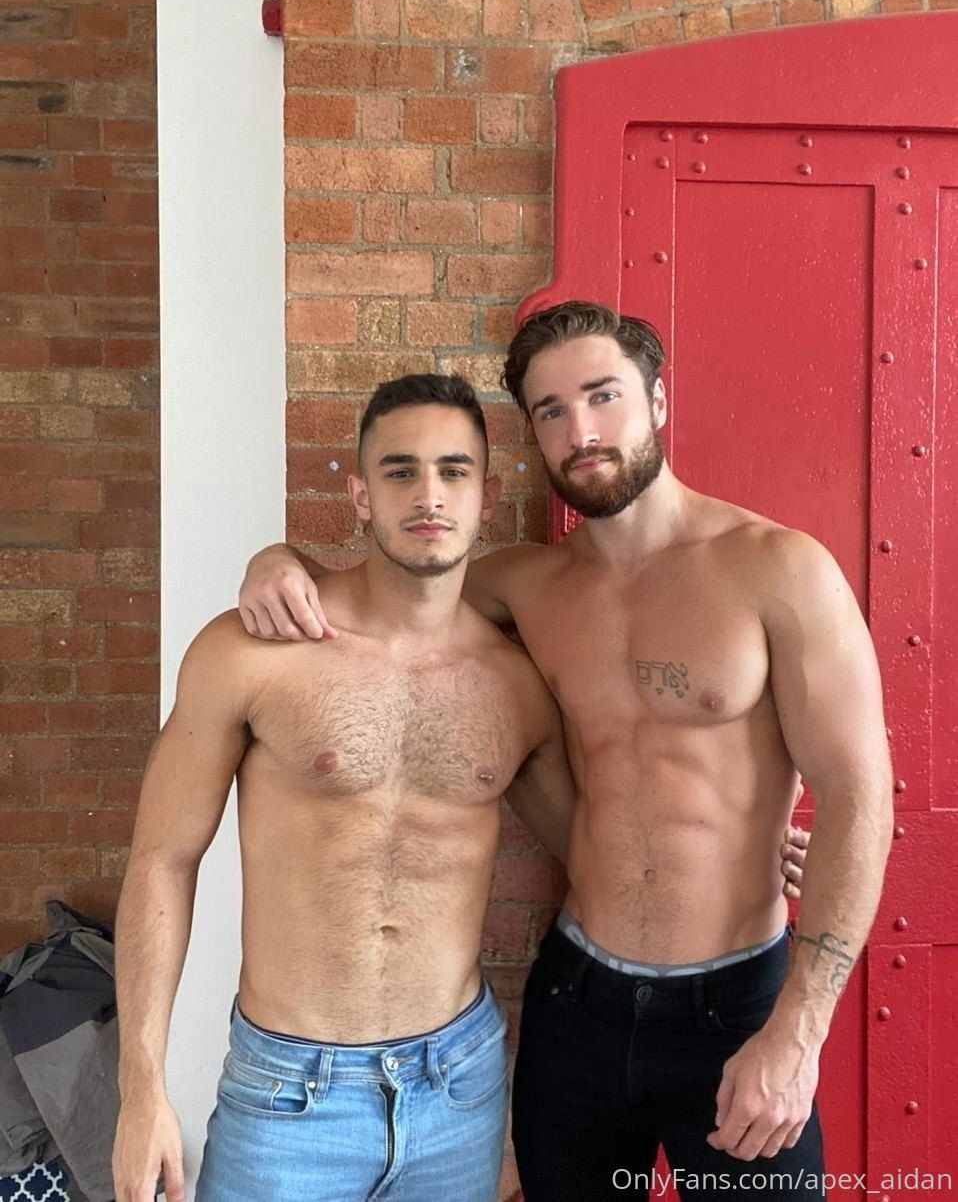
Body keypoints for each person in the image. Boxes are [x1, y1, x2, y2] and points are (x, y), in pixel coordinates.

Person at [240, 300, 891, 1202]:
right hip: (578, 1005)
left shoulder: (777, 569)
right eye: (551, 410)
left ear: (657, 400)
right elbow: (383, 594)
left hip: (736, 1007)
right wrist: (278, 562)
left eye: (602, 395)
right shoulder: (526, 585)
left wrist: (799, 1031)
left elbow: (862, 796)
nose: (580, 431)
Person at [111, 375, 583, 1202]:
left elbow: (599, 856)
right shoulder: (253, 652)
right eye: (400, 471)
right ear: (360, 495)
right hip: (287, 1095)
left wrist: (753, 856)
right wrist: (140, 1086)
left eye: (454, 471)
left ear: (485, 495)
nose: (429, 495)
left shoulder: (517, 688)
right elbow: (162, 860)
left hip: (457, 1085)